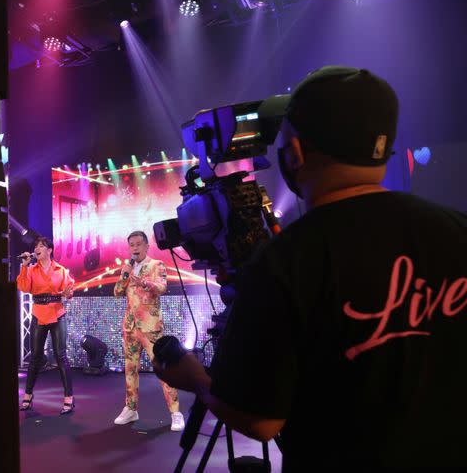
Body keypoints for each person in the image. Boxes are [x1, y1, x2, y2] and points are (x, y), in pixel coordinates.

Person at [153, 66, 467, 471]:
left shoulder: (286, 261)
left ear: (295, 154)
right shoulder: (458, 231)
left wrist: (196, 379)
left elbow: (261, 421)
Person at [113, 231, 185, 431]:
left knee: (163, 369)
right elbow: (117, 292)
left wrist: (143, 281)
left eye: (138, 244)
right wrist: (125, 274)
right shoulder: (128, 268)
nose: (134, 248)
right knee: (130, 370)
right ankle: (131, 408)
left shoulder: (156, 265)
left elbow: (162, 288)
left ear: (146, 246)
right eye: (131, 245)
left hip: (150, 328)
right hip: (130, 326)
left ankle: (176, 412)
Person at [16, 237, 76, 414]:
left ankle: (69, 398)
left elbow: (69, 291)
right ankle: (28, 395)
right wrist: (25, 266)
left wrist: (68, 293)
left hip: (57, 314)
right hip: (38, 314)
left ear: (49, 250)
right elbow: (24, 287)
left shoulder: (61, 270)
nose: (37, 248)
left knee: (61, 356)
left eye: (41, 246)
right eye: (36, 246)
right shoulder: (31, 269)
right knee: (35, 357)